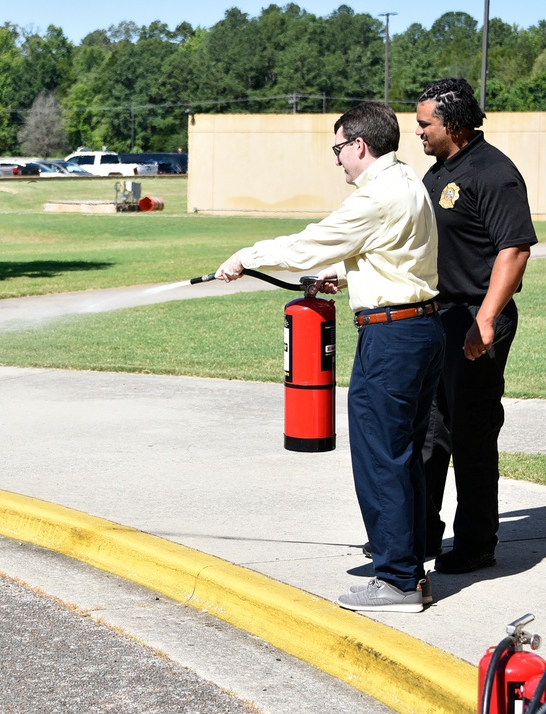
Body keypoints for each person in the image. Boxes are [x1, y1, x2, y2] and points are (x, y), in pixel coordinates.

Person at [216, 102, 443, 613]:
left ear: (359, 146)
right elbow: (396, 254)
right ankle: (409, 566)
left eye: (339, 149)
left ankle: (397, 582)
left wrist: (245, 258)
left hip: (392, 339)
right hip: (421, 327)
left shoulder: (374, 196)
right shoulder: (408, 182)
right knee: (403, 455)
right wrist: (342, 278)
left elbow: (310, 243)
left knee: (380, 455)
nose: (337, 160)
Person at [415, 78, 538, 574]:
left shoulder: (493, 173)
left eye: (425, 123)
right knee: (429, 433)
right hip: (438, 318)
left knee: (470, 434)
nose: (418, 131)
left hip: (475, 320)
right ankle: (420, 532)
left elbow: (515, 249)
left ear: (455, 124)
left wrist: (484, 320)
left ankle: (476, 543)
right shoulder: (437, 172)